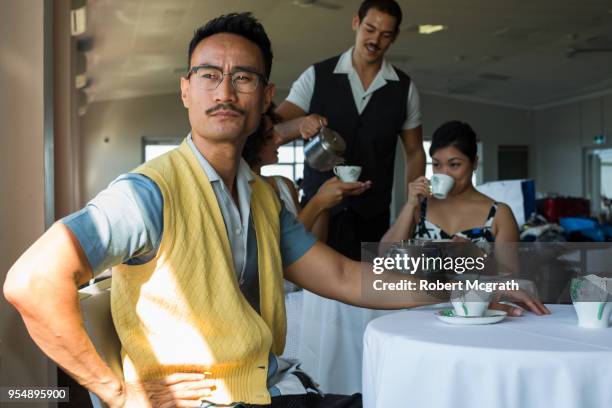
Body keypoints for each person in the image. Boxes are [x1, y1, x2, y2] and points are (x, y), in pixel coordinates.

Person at [3, 13, 547, 408]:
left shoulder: (261, 197)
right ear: (186, 91)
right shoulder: (148, 192)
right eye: (209, 75)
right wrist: (117, 395)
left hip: (269, 389)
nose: (225, 90)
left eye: (243, 77)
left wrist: (465, 282)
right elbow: (29, 283)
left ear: (265, 97)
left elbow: (348, 277)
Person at [275, 0, 426, 261]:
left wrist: (412, 208)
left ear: (395, 37)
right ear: (356, 22)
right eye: (369, 29)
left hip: (373, 217)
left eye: (385, 34)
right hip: (319, 214)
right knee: (314, 295)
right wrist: (300, 125)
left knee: (368, 294)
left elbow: (414, 152)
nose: (374, 40)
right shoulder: (317, 76)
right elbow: (274, 130)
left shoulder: (404, 89)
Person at [242, 105, 371, 241]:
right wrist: (318, 202)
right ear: (250, 144)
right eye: (269, 136)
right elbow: (280, 251)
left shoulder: (284, 184)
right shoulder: (242, 192)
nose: (279, 140)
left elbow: (313, 244)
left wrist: (325, 201)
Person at [382, 120, 519, 244]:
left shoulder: (499, 215)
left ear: (475, 163)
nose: (443, 173)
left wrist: (476, 257)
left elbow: (511, 271)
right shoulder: (420, 207)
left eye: (454, 165)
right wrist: (410, 205)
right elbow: (384, 255)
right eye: (436, 164)